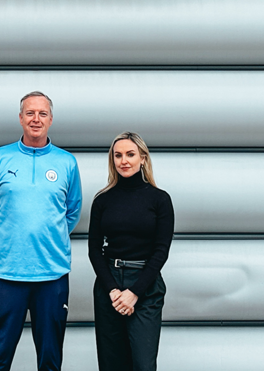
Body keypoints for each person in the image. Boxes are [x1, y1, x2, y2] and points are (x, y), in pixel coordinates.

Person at [0, 91, 83, 371]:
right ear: (20, 118)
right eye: (30, 113)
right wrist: (9, 235)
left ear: (50, 119)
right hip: (7, 273)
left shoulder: (67, 162)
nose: (36, 119)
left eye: (42, 113)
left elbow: (72, 210)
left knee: (50, 360)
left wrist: (49, 235)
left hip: (52, 274)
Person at [88, 132, 175, 371]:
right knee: (112, 364)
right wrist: (113, 291)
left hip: (145, 285)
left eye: (130, 154)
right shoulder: (102, 200)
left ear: (143, 158)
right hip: (109, 285)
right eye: (118, 155)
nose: (124, 160)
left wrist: (134, 292)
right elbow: (94, 250)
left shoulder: (160, 200)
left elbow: (161, 251)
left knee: (143, 364)